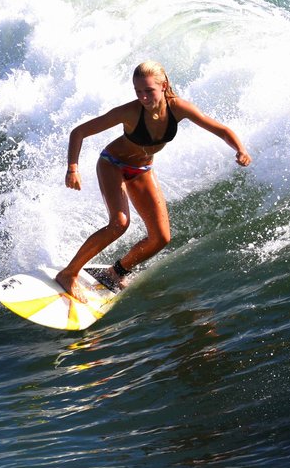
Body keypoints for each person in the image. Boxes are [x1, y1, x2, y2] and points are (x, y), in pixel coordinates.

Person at [55, 61, 251, 300]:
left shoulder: (178, 108)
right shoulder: (129, 111)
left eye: (149, 91)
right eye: (138, 91)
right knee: (120, 223)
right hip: (112, 164)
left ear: (164, 86)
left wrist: (240, 149)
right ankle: (69, 273)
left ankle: (114, 273)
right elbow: (79, 132)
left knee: (160, 238)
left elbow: (220, 129)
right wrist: (72, 168)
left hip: (142, 169)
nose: (143, 97)